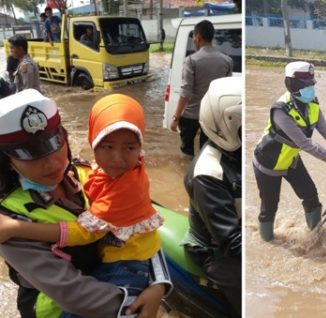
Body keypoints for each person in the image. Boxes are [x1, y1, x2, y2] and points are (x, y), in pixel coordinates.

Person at [0, 89, 171, 318]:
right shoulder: (10, 219)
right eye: (31, 154)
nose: (50, 162)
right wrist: (132, 307)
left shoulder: (87, 173)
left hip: (111, 280)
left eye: (54, 144)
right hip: (60, 309)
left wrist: (159, 282)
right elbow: (71, 292)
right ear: (9, 161)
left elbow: (139, 222)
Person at [253, 61, 326, 242]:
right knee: (269, 208)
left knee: (311, 195)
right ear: (293, 85)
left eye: (312, 84)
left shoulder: (312, 103)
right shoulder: (281, 110)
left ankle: (315, 238)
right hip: (268, 162)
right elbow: (306, 144)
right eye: (306, 86)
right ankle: (268, 243)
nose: (311, 88)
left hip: (291, 159)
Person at [182, 76, 242, 316]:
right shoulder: (208, 173)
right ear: (222, 124)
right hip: (215, 251)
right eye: (242, 124)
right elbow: (231, 241)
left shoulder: (237, 154)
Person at [170, 20, 233, 157]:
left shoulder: (191, 60)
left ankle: (185, 173)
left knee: (186, 151)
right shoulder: (227, 60)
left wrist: (176, 118)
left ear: (197, 37)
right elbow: (227, 90)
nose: (193, 40)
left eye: (193, 37)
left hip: (191, 115)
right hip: (213, 115)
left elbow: (186, 92)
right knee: (208, 151)